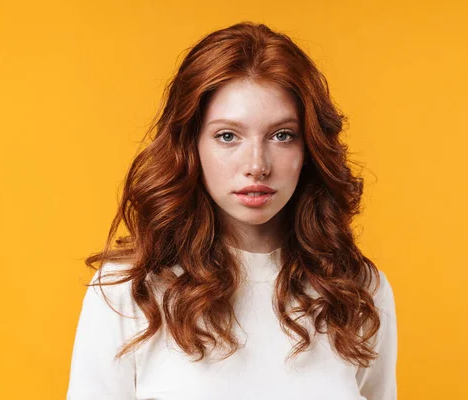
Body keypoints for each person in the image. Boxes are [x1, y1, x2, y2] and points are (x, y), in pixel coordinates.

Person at [67, 21, 397, 400]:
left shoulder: (359, 291)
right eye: (228, 136)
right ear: (192, 147)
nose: (257, 164)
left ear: (309, 149)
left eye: (282, 135)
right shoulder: (130, 290)